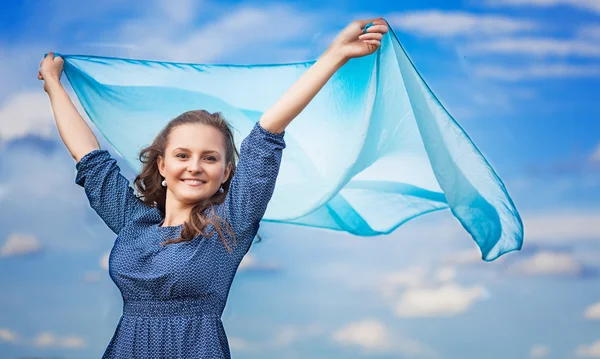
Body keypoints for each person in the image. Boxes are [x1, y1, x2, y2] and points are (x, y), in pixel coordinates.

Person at [37, 18, 389, 359]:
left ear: (226, 173)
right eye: (182, 155)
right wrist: (54, 84)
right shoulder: (133, 222)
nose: (194, 166)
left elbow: (267, 133)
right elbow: (89, 157)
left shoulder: (228, 225)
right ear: (162, 165)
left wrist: (335, 55)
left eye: (209, 158)